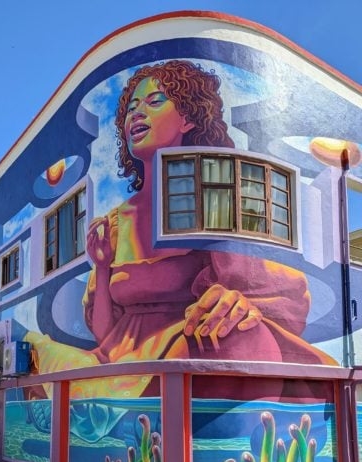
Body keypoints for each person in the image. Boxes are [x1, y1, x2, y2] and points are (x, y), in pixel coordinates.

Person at [27, 60, 335, 401]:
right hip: (119, 365)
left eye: (154, 101)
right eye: (131, 108)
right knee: (32, 352)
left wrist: (241, 303)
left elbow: (272, 289)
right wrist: (101, 267)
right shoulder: (114, 223)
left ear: (188, 117)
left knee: (239, 337)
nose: (137, 115)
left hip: (186, 351)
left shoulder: (216, 194)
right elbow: (104, 332)